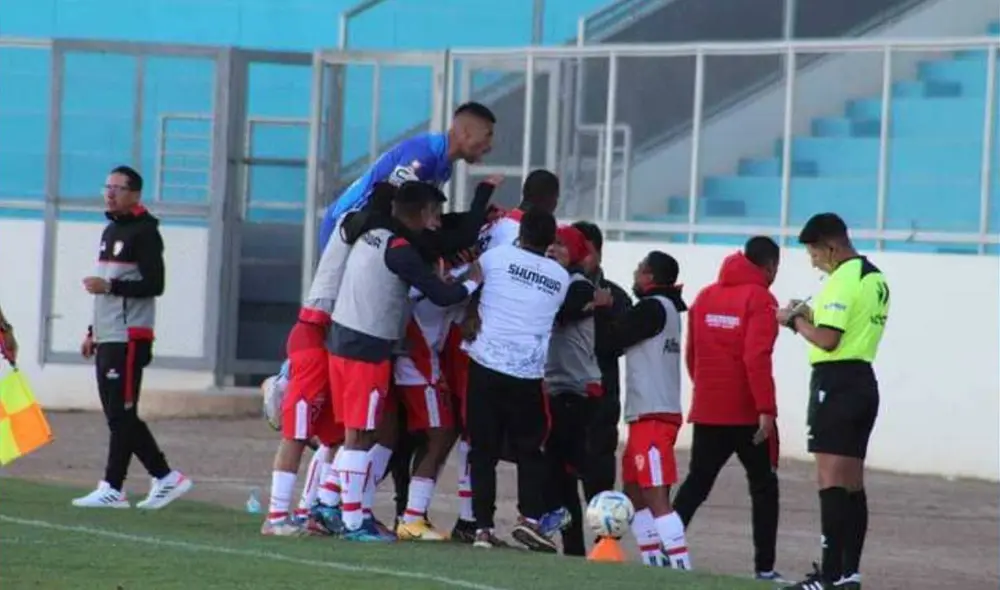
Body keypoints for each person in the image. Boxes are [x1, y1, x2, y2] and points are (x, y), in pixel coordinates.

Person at [327, 181, 481, 542]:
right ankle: (353, 520)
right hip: (370, 348)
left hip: (346, 338)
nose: (438, 223)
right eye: (436, 214)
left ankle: (330, 505)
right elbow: (441, 295)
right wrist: (471, 284)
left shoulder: (369, 231)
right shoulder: (400, 248)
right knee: (362, 434)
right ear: (426, 213)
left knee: (369, 432)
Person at [72, 165, 192, 510]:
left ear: (135, 194)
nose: (110, 193)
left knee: (122, 414)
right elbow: (107, 286)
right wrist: (93, 331)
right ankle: (162, 478)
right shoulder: (110, 230)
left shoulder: (145, 232)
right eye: (107, 186)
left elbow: (155, 285)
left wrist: (109, 286)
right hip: (110, 335)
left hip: (130, 337)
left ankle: (117, 485)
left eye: (118, 188)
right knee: (118, 414)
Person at [779, 213, 889, 590]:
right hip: (862, 381)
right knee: (853, 483)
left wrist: (792, 321)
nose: (812, 259)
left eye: (813, 251)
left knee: (829, 479)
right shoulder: (874, 276)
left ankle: (827, 576)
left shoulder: (843, 277)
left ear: (831, 245)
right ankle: (848, 574)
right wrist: (808, 315)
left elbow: (828, 340)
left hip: (836, 382)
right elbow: (848, 325)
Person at [672, 236, 784, 581]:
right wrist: (766, 408)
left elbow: (692, 355)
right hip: (747, 413)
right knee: (764, 487)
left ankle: (663, 549)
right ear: (770, 266)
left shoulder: (706, 296)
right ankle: (764, 569)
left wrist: (706, 390)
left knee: (697, 483)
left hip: (708, 408)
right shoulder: (761, 299)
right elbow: (756, 357)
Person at [461, 209, 569, 552]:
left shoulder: (495, 257)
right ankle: (530, 519)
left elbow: (468, 286)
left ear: (520, 231)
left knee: (483, 451)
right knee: (529, 450)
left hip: (486, 365)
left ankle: (481, 528)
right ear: (551, 240)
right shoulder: (561, 277)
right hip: (527, 374)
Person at [606, 251, 692, 570]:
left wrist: (604, 306)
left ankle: (680, 565)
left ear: (650, 277)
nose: (635, 273)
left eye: (639, 269)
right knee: (634, 492)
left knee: (655, 497)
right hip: (647, 413)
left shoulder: (653, 308)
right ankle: (652, 559)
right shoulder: (666, 308)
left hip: (653, 415)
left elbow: (614, 337)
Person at [319, 102, 497, 248]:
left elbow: (422, 220)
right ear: (465, 133)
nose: (490, 146)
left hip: (367, 232)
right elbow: (385, 205)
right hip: (345, 227)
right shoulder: (424, 157)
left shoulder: (444, 166)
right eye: (488, 136)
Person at [540, 225, 612, 556]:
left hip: (579, 389)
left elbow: (565, 311)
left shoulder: (578, 284)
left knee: (573, 470)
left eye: (560, 245)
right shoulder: (553, 281)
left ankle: (596, 540)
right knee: (560, 472)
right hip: (558, 388)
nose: (553, 250)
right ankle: (574, 546)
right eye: (551, 244)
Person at [570, 221, 632, 501]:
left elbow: (618, 345)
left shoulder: (617, 297)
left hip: (601, 405)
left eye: (587, 252)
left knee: (600, 488)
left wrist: (602, 312)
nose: (581, 257)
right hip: (563, 399)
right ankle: (567, 545)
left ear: (599, 255)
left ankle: (604, 544)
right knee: (561, 485)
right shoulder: (556, 287)